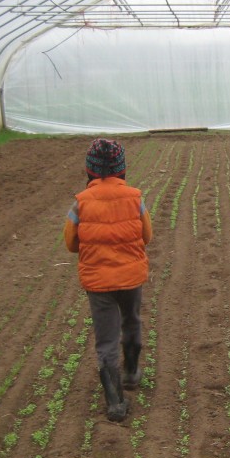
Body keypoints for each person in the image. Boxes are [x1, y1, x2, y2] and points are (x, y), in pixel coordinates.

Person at [64, 138, 153, 421]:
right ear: (121, 168)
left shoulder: (80, 204)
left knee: (106, 338)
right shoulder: (135, 198)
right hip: (130, 276)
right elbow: (146, 236)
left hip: (98, 282)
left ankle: (115, 402)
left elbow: (70, 243)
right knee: (131, 321)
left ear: (90, 170)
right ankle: (131, 373)